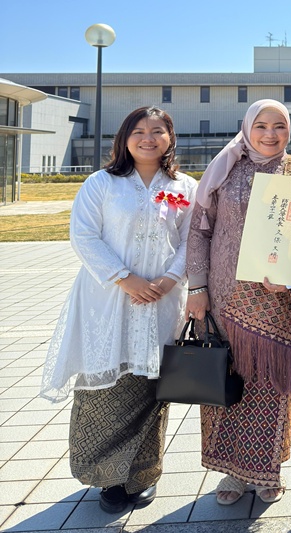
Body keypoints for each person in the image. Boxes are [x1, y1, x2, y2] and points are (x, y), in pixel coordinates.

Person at [40, 106, 196, 513]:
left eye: (158, 131)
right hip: (108, 299)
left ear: (170, 137)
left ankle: (143, 475)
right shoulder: (102, 183)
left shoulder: (184, 186)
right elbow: (84, 235)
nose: (148, 138)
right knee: (105, 383)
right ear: (124, 138)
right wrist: (125, 279)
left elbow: (191, 240)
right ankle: (107, 478)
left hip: (162, 300)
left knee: (152, 387)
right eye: (138, 131)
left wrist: (169, 279)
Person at [185, 99, 291, 506]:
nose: (270, 134)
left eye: (279, 126)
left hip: (283, 301)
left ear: (289, 130)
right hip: (225, 296)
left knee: (273, 384)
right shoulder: (225, 170)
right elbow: (199, 231)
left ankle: (268, 469)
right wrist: (197, 288)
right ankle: (231, 471)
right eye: (261, 125)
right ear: (247, 128)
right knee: (228, 380)